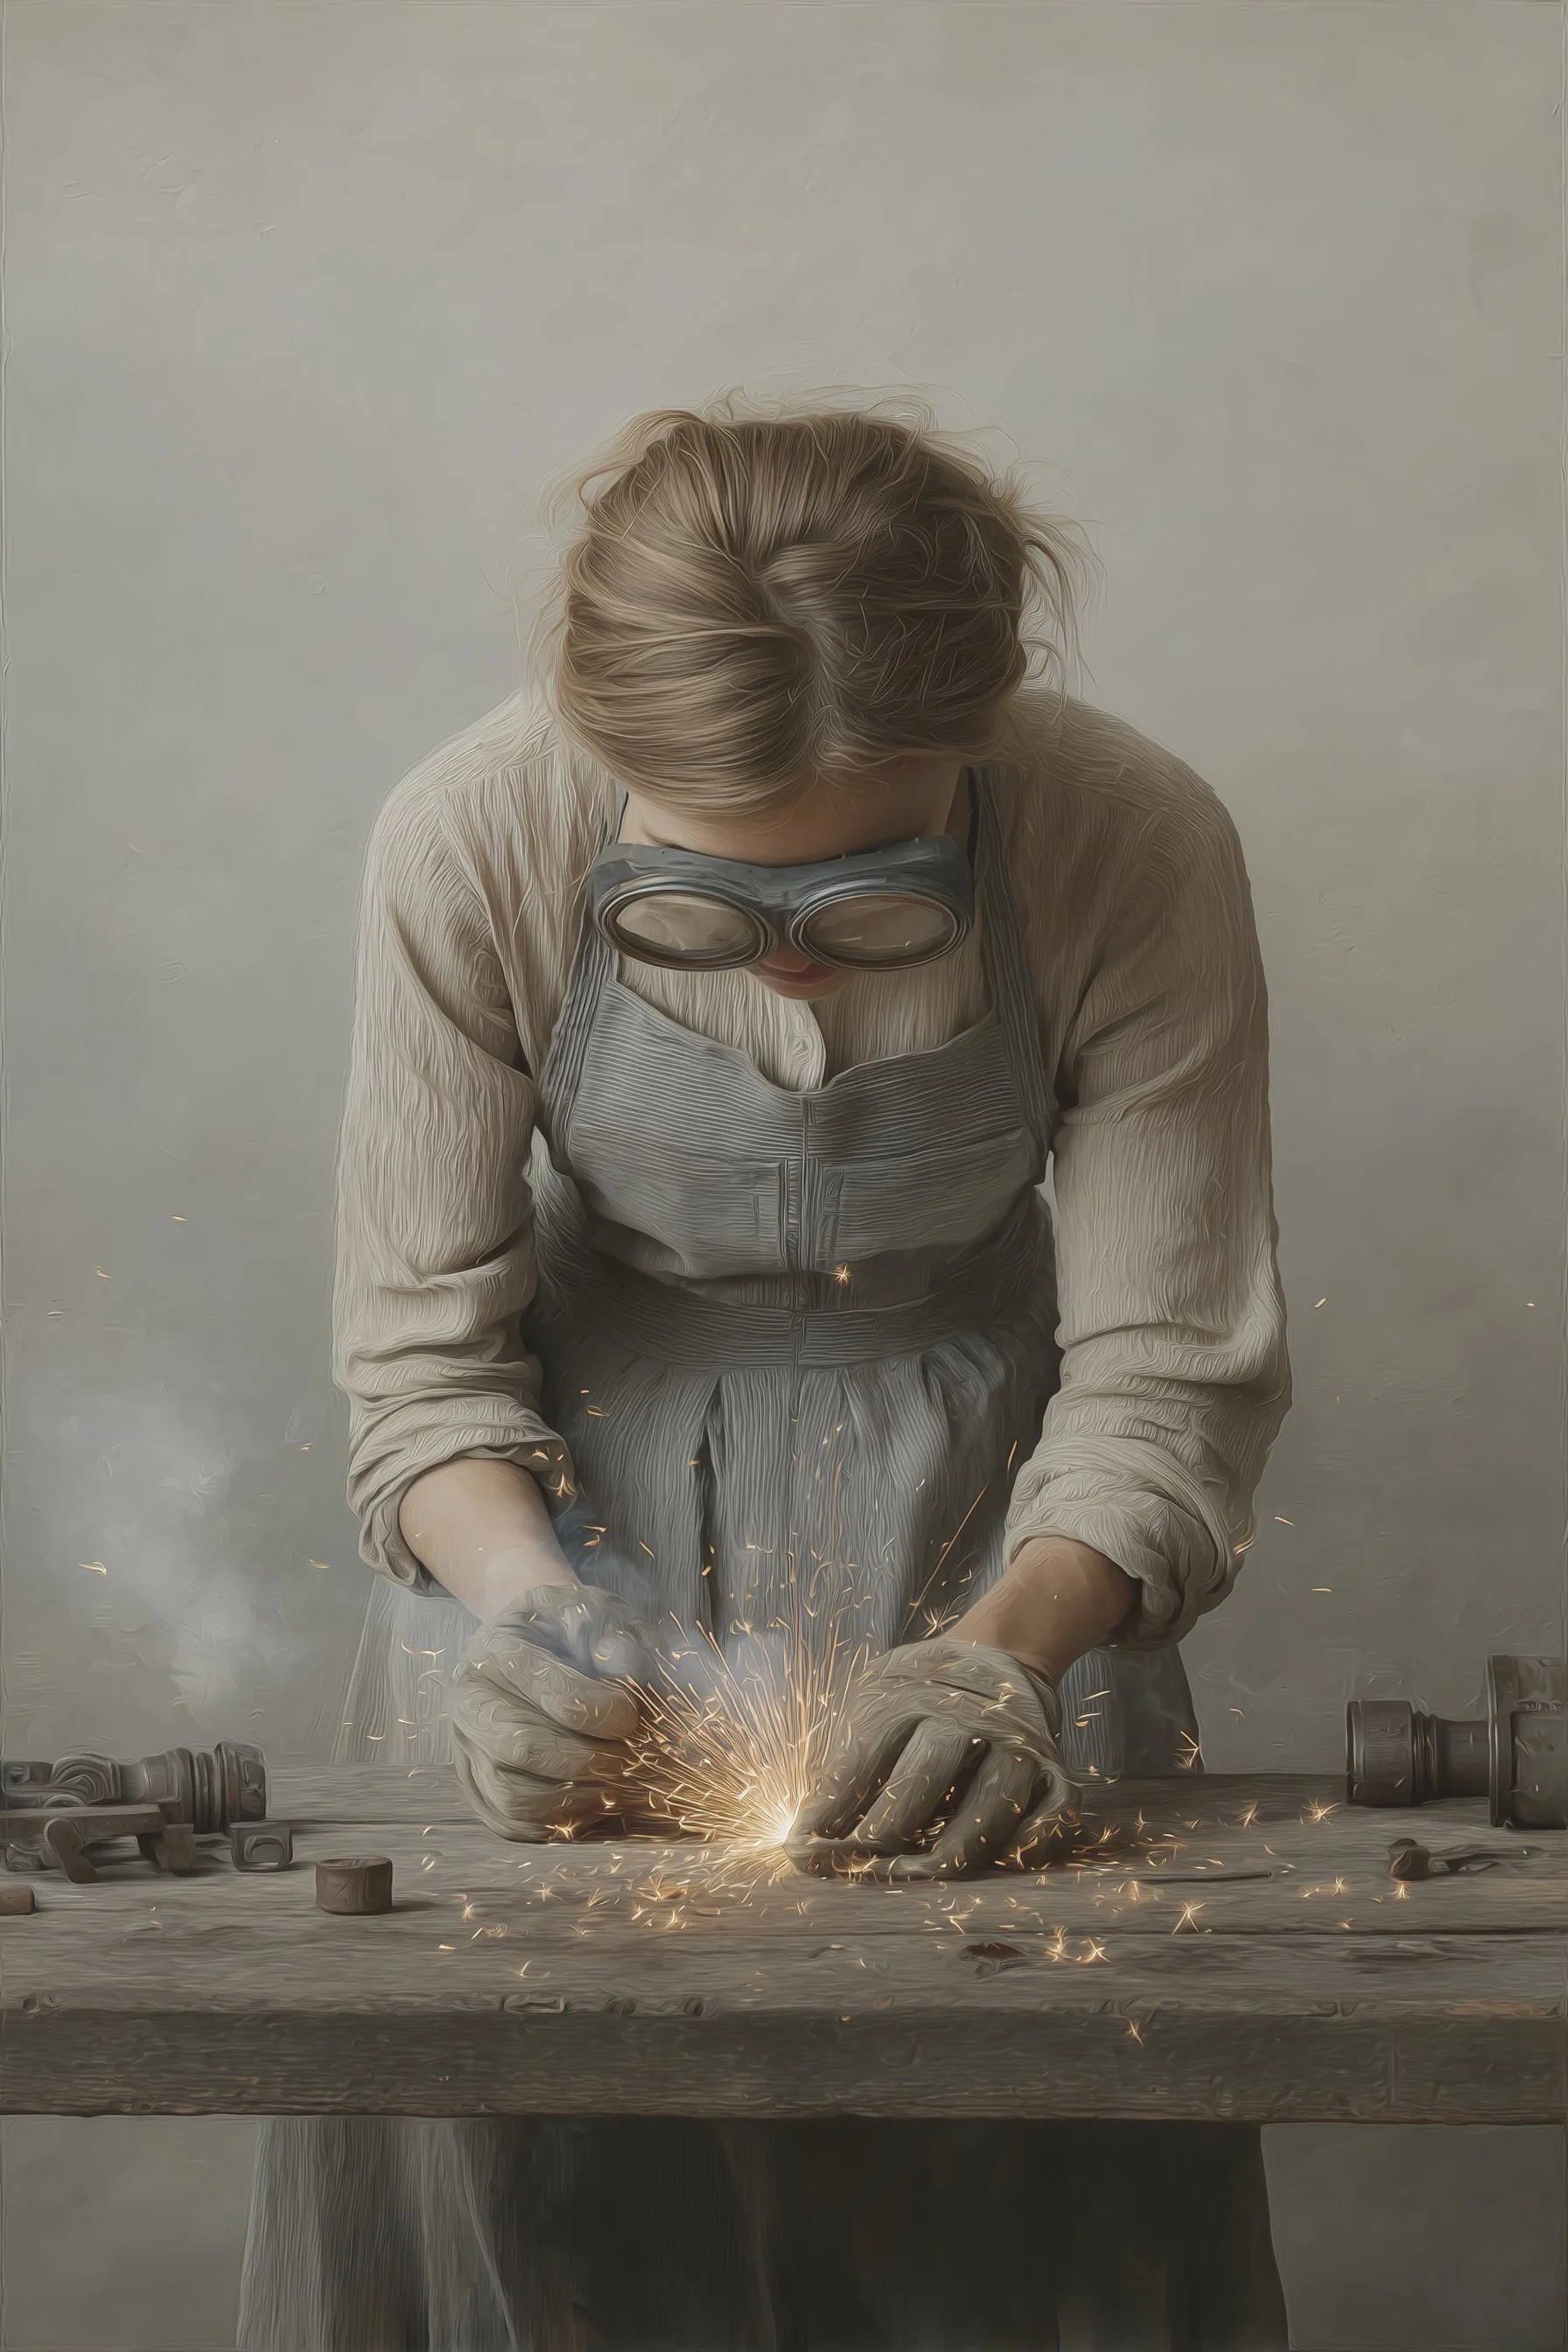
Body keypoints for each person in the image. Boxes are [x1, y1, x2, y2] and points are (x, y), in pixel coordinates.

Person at [239, 394, 1292, 2349]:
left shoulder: (1125, 838)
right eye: (710, 902)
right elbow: (422, 1371)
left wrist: (1000, 1664)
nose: (789, 967)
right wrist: (540, 1626)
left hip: (1001, 1555)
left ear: (972, 752)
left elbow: (1162, 1372)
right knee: (550, 2205)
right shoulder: (471, 833)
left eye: (873, 882)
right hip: (564, 1525)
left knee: (1011, 2203)